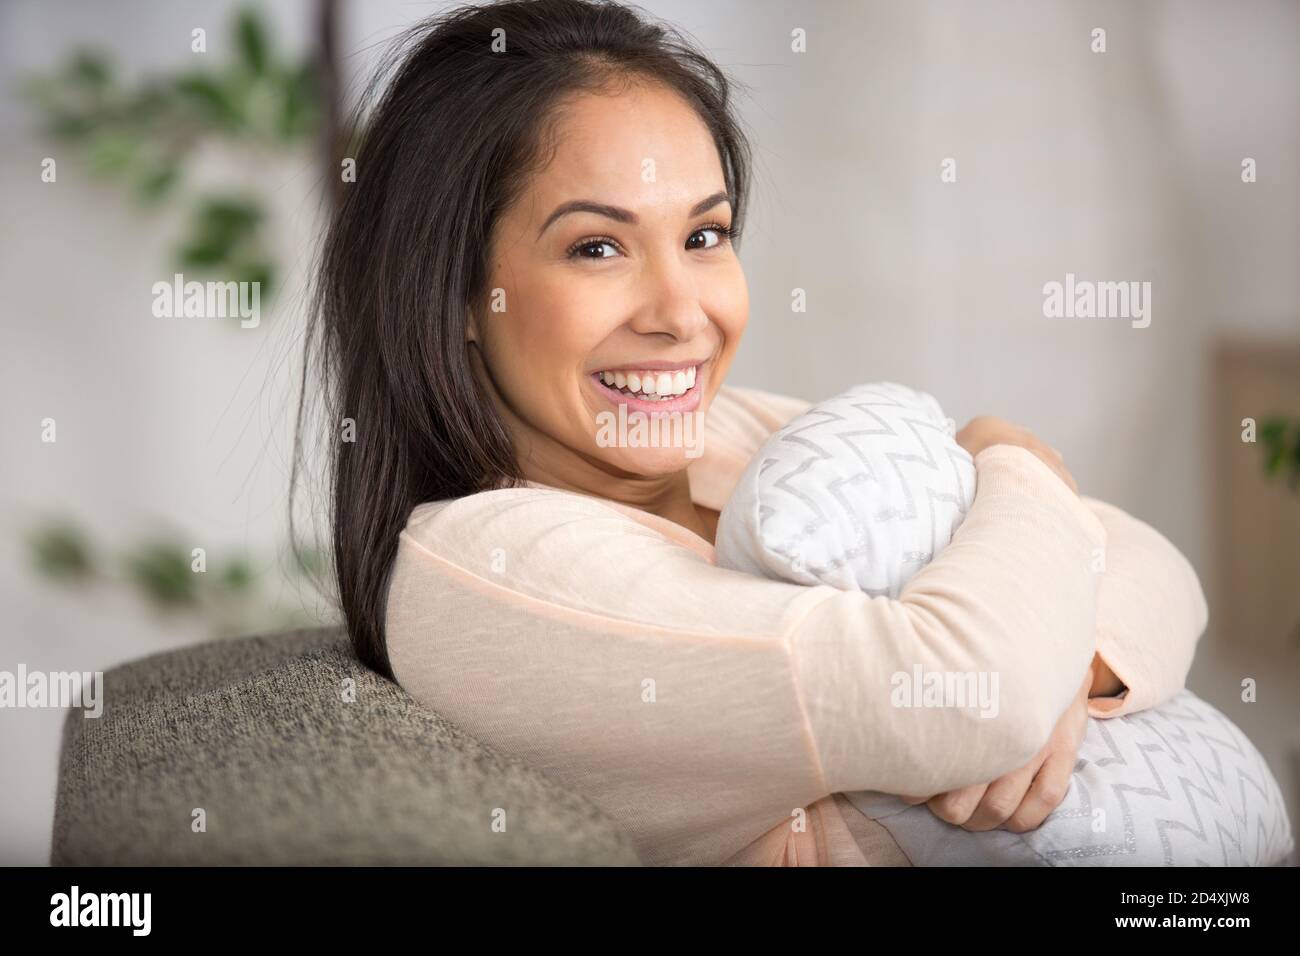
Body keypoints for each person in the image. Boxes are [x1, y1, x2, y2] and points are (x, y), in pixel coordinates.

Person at [297, 0, 1206, 865]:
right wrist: (1014, 453)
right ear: (456, 292)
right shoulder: (487, 567)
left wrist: (1071, 668)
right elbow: (979, 694)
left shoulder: (730, 433)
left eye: (705, 235)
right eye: (597, 247)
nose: (680, 313)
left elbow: (1155, 564)